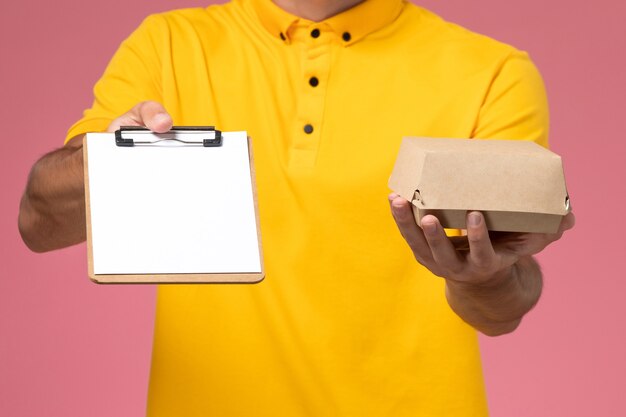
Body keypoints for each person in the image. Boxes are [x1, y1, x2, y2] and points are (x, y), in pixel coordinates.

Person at [18, 0, 575, 415]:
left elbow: (503, 308)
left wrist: (482, 279)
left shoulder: (493, 73)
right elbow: (40, 224)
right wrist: (111, 159)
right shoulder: (169, 45)